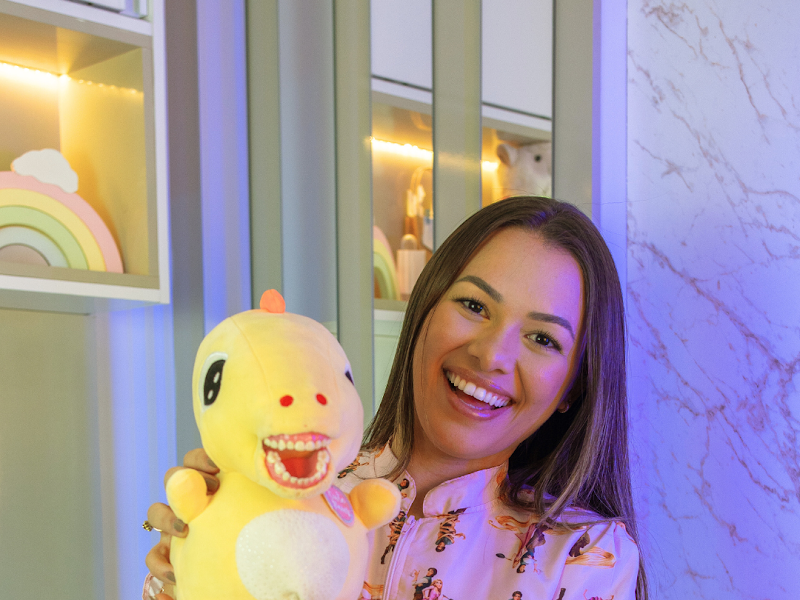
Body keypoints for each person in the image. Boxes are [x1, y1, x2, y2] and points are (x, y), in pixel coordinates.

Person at [144, 196, 648, 599]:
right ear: (424, 309)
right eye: (474, 305)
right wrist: (188, 566)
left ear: (572, 388)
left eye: (542, 339)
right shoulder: (297, 484)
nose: (492, 354)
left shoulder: (585, 556)